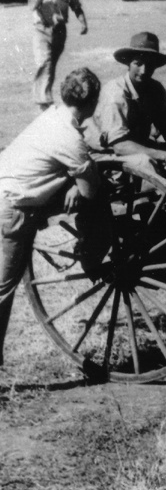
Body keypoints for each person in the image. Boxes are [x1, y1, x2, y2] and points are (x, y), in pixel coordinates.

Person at [0, 68, 108, 368]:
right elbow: (90, 191)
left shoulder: (53, 116)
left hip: (8, 190)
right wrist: (78, 182)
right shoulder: (69, 137)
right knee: (4, 288)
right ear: (93, 102)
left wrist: (72, 179)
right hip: (14, 207)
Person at [91, 32, 166, 176]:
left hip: (138, 147)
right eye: (138, 64)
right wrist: (165, 156)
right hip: (107, 156)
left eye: (149, 65)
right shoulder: (115, 94)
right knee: (147, 163)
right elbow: (120, 146)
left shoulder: (155, 89)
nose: (143, 71)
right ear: (128, 63)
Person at [28, 0, 88, 110]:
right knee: (44, 62)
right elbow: (33, 5)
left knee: (51, 65)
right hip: (41, 29)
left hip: (59, 30)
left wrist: (83, 23)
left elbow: (76, 6)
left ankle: (45, 95)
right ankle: (43, 100)